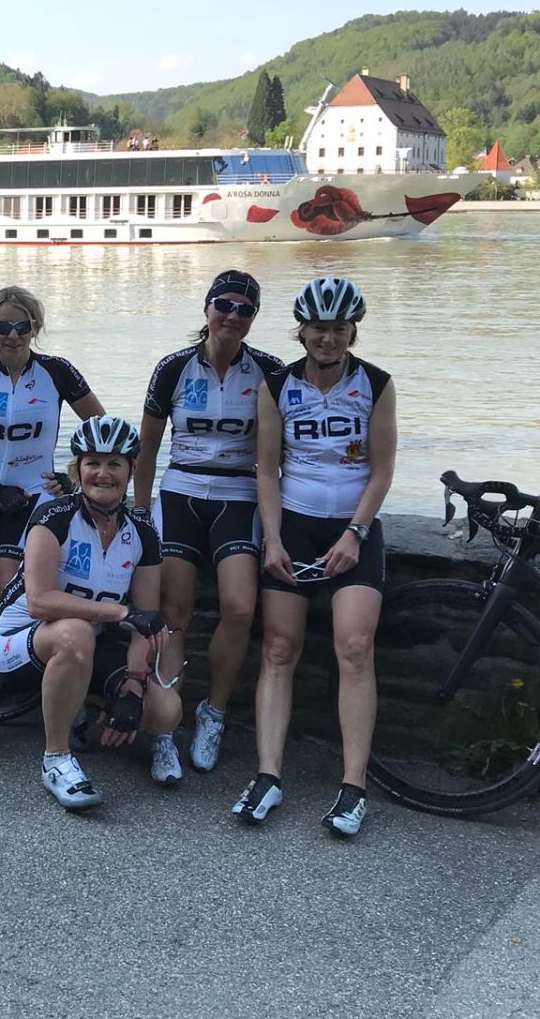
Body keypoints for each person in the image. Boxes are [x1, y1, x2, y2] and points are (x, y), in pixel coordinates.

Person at [233, 277, 396, 837]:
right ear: (301, 331)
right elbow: (267, 470)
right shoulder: (277, 385)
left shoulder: (375, 383)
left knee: (355, 647)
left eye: (339, 329)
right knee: (279, 649)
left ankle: (353, 787)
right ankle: (267, 776)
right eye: (319, 328)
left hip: (354, 526)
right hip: (295, 526)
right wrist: (273, 539)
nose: (328, 338)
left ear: (353, 332)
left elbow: (382, 470)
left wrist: (354, 534)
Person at [0, 286, 105, 752]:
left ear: (35, 327)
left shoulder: (57, 371)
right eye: (1, 326)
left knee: (8, 602)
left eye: (21, 326)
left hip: (32, 499)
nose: (11, 335)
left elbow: (100, 431)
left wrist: (74, 478)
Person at [0, 416, 181, 810]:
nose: (103, 474)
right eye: (93, 463)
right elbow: (40, 602)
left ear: (131, 470)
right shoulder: (54, 516)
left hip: (85, 643)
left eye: (114, 464)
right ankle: (56, 759)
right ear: (78, 469)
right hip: (18, 638)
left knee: (166, 712)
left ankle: (78, 707)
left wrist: (133, 685)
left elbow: (146, 618)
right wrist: (120, 611)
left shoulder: (141, 532)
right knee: (76, 633)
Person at [134, 270, 284, 783]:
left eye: (245, 310)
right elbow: (147, 448)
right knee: (174, 613)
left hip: (238, 494)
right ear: (207, 308)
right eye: (225, 305)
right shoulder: (173, 367)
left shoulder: (268, 370)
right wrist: (140, 514)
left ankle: (213, 712)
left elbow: (280, 454)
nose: (233, 316)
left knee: (240, 608)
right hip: (181, 491)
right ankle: (163, 726)